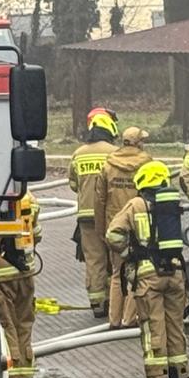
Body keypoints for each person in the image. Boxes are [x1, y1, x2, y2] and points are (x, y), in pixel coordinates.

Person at [106, 161, 189, 378]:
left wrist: (129, 252)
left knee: (153, 330)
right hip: (175, 273)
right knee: (175, 328)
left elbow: (113, 235)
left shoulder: (136, 204)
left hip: (148, 277)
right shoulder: (171, 205)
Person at [99, 127, 154, 329]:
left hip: (115, 226)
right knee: (137, 272)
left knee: (116, 273)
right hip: (140, 224)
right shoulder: (147, 162)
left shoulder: (109, 165)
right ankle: (130, 319)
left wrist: (101, 230)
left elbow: (100, 199)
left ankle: (114, 320)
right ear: (138, 142)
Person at [0, 188, 41, 378]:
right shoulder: (28, 198)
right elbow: (36, 233)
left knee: (7, 326)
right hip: (25, 273)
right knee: (24, 325)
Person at [71, 108, 119, 318]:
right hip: (109, 214)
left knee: (94, 259)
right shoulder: (114, 153)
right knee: (113, 256)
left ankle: (97, 303)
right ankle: (114, 300)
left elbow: (73, 183)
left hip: (86, 216)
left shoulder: (78, 154)